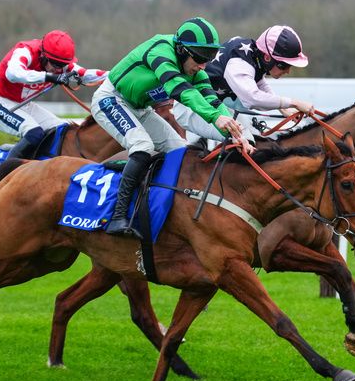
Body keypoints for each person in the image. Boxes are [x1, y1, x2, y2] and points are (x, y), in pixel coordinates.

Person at [91, 16, 244, 238]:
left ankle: (134, 176)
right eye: (201, 58)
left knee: (181, 152)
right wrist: (214, 118)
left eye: (209, 57)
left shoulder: (195, 70)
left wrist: (234, 131)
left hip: (141, 109)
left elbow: (212, 101)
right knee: (142, 146)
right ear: (182, 50)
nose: (203, 66)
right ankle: (117, 217)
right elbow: (181, 90)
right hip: (111, 99)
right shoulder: (160, 51)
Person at [172, 25, 314, 152]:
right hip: (191, 108)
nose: (288, 71)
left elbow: (259, 83)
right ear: (267, 57)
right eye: (284, 65)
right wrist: (294, 102)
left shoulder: (255, 56)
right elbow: (252, 99)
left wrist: (282, 108)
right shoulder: (239, 63)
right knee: (245, 137)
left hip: (214, 107)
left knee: (257, 139)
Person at [0, 30, 107, 159]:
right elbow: (13, 73)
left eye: (63, 65)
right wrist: (49, 76)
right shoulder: (25, 51)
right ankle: (5, 175)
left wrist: (117, 76)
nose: (59, 70)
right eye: (55, 64)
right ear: (43, 55)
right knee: (34, 133)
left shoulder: (60, 64)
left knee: (62, 131)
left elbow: (86, 74)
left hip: (24, 106)